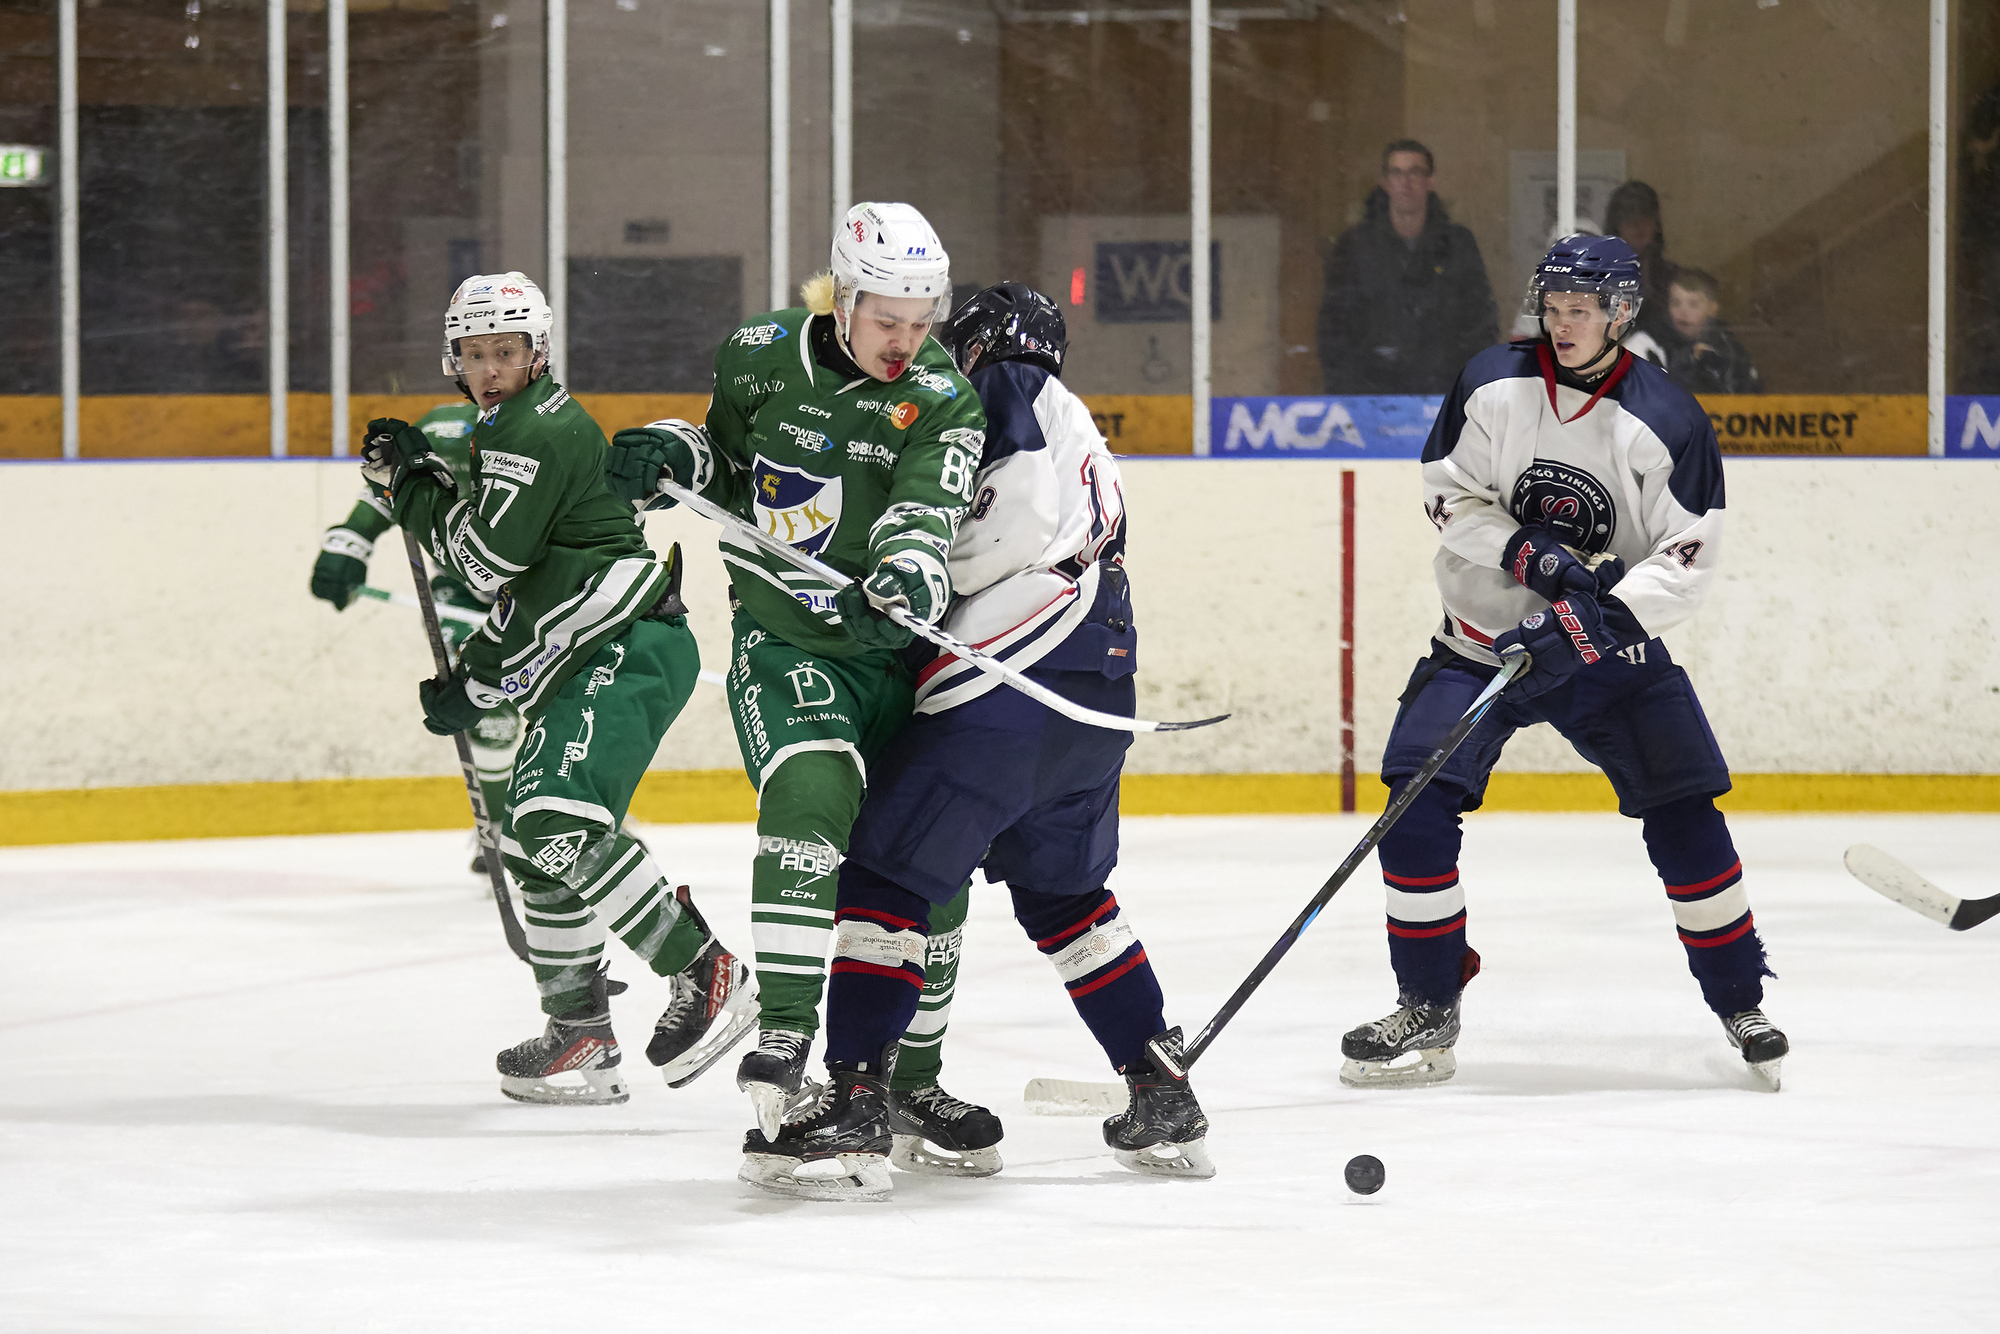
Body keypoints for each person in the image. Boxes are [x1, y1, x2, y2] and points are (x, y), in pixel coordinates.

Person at [732, 283, 1213, 1201]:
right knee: (1067, 895)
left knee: (885, 875)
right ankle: (1160, 1086)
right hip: (1097, 675)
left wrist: (891, 562)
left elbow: (962, 488)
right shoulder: (1080, 432)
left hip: (1014, 671)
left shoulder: (1009, 388)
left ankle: (857, 1104)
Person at [1340, 235, 1789, 1094]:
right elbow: (1445, 492)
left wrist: (1584, 628)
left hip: (1609, 657)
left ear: (1622, 314)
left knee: (1685, 812)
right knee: (1414, 805)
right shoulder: (1492, 382)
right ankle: (1429, 1002)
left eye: (1582, 309)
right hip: (1482, 644)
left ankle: (1740, 1000)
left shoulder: (1669, 421)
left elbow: (1685, 563)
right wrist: (1525, 555)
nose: (1562, 322)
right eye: (1552, 307)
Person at [602, 203, 986, 1138]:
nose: (907, 341)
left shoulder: (941, 398)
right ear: (843, 298)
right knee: (809, 796)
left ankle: (911, 1078)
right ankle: (783, 1030)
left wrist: (901, 574)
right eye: (888, 320)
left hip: (900, 658)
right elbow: (728, 470)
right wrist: (674, 454)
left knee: (931, 870)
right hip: (789, 646)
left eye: (922, 321)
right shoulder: (758, 354)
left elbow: (924, 512)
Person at [362, 271, 754, 1106]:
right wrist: (477, 675)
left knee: (549, 819)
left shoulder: (535, 432)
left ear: (537, 353)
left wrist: (414, 493)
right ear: (454, 359)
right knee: (529, 841)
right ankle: (579, 1033)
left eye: (506, 351)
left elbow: (481, 562)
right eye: (476, 354)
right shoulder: (503, 427)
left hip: (627, 646)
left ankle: (705, 969)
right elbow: (537, 583)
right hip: (592, 647)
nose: (491, 367)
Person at [312, 400, 525, 872]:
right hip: (464, 590)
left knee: (570, 711)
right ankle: (497, 827)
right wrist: (349, 543)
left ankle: (587, 823)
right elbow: (387, 494)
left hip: (544, 590)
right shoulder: (441, 438)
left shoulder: (537, 445)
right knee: (487, 713)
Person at [1317, 139, 1497, 394]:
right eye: (1396, 173)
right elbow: (1334, 327)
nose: (1405, 182)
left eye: (1415, 172)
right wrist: (1348, 392)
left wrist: (1468, 388)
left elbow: (1480, 322)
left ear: (1430, 182)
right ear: (1385, 182)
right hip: (1369, 396)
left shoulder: (1457, 245)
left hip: (1441, 394)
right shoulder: (1355, 246)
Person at [1603, 180, 1679, 349]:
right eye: (1630, 219)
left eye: (1646, 217)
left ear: (1656, 224)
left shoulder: (1672, 278)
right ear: (1616, 225)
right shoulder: (1600, 277)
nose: (1639, 226)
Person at [1664, 267, 1761, 394]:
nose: (1683, 312)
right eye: (1675, 303)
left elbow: (1748, 391)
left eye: (1693, 304)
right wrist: (1689, 363)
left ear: (1712, 309)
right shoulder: (1656, 345)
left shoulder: (1729, 347)